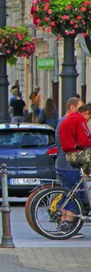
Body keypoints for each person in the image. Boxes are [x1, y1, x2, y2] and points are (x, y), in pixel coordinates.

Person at [55, 97, 84, 233]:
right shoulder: (69, 122)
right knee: (75, 195)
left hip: (62, 163)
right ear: (72, 108)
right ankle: (67, 227)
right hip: (68, 164)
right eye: (80, 109)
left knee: (69, 194)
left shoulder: (63, 121)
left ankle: (64, 225)